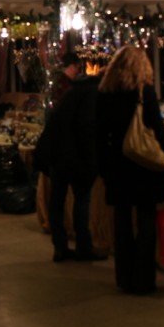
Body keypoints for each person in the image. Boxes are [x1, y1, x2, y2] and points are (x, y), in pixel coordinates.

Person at [96, 46, 164, 295]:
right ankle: (144, 278)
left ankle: (124, 277)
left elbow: (98, 134)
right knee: (146, 219)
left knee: (121, 221)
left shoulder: (105, 93)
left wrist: (103, 167)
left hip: (117, 165)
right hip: (143, 165)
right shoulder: (144, 92)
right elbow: (158, 130)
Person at [35, 65, 105, 262]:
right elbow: (87, 127)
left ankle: (60, 247)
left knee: (57, 200)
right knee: (81, 200)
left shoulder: (74, 90)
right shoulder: (92, 94)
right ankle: (84, 247)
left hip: (57, 153)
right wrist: (92, 159)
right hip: (75, 156)